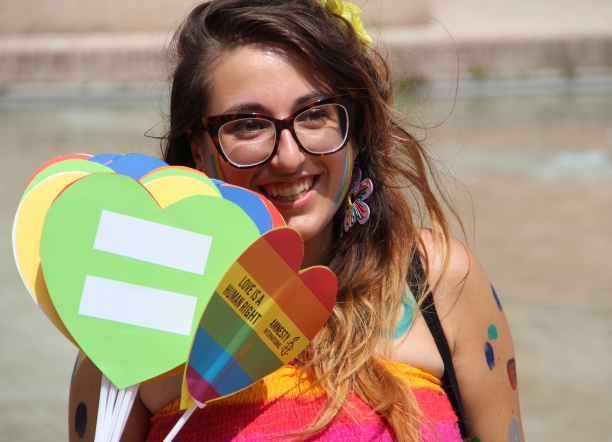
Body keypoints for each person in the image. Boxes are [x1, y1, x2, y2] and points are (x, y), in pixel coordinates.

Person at [69, 0, 523, 440]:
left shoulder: (437, 282)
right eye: (248, 124)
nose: (288, 157)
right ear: (200, 150)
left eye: (315, 114)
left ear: (354, 129)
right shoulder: (130, 318)